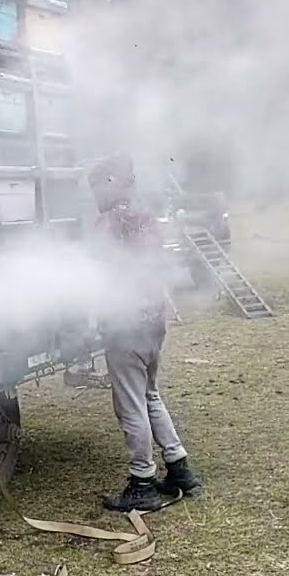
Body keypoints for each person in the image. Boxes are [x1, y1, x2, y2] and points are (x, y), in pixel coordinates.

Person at [88, 155, 204, 512]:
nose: (94, 195)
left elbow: (97, 270)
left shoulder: (108, 223)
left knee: (131, 405)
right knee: (150, 394)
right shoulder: (146, 218)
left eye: (96, 187)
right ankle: (178, 467)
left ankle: (142, 483)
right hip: (153, 321)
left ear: (111, 184)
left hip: (126, 325)